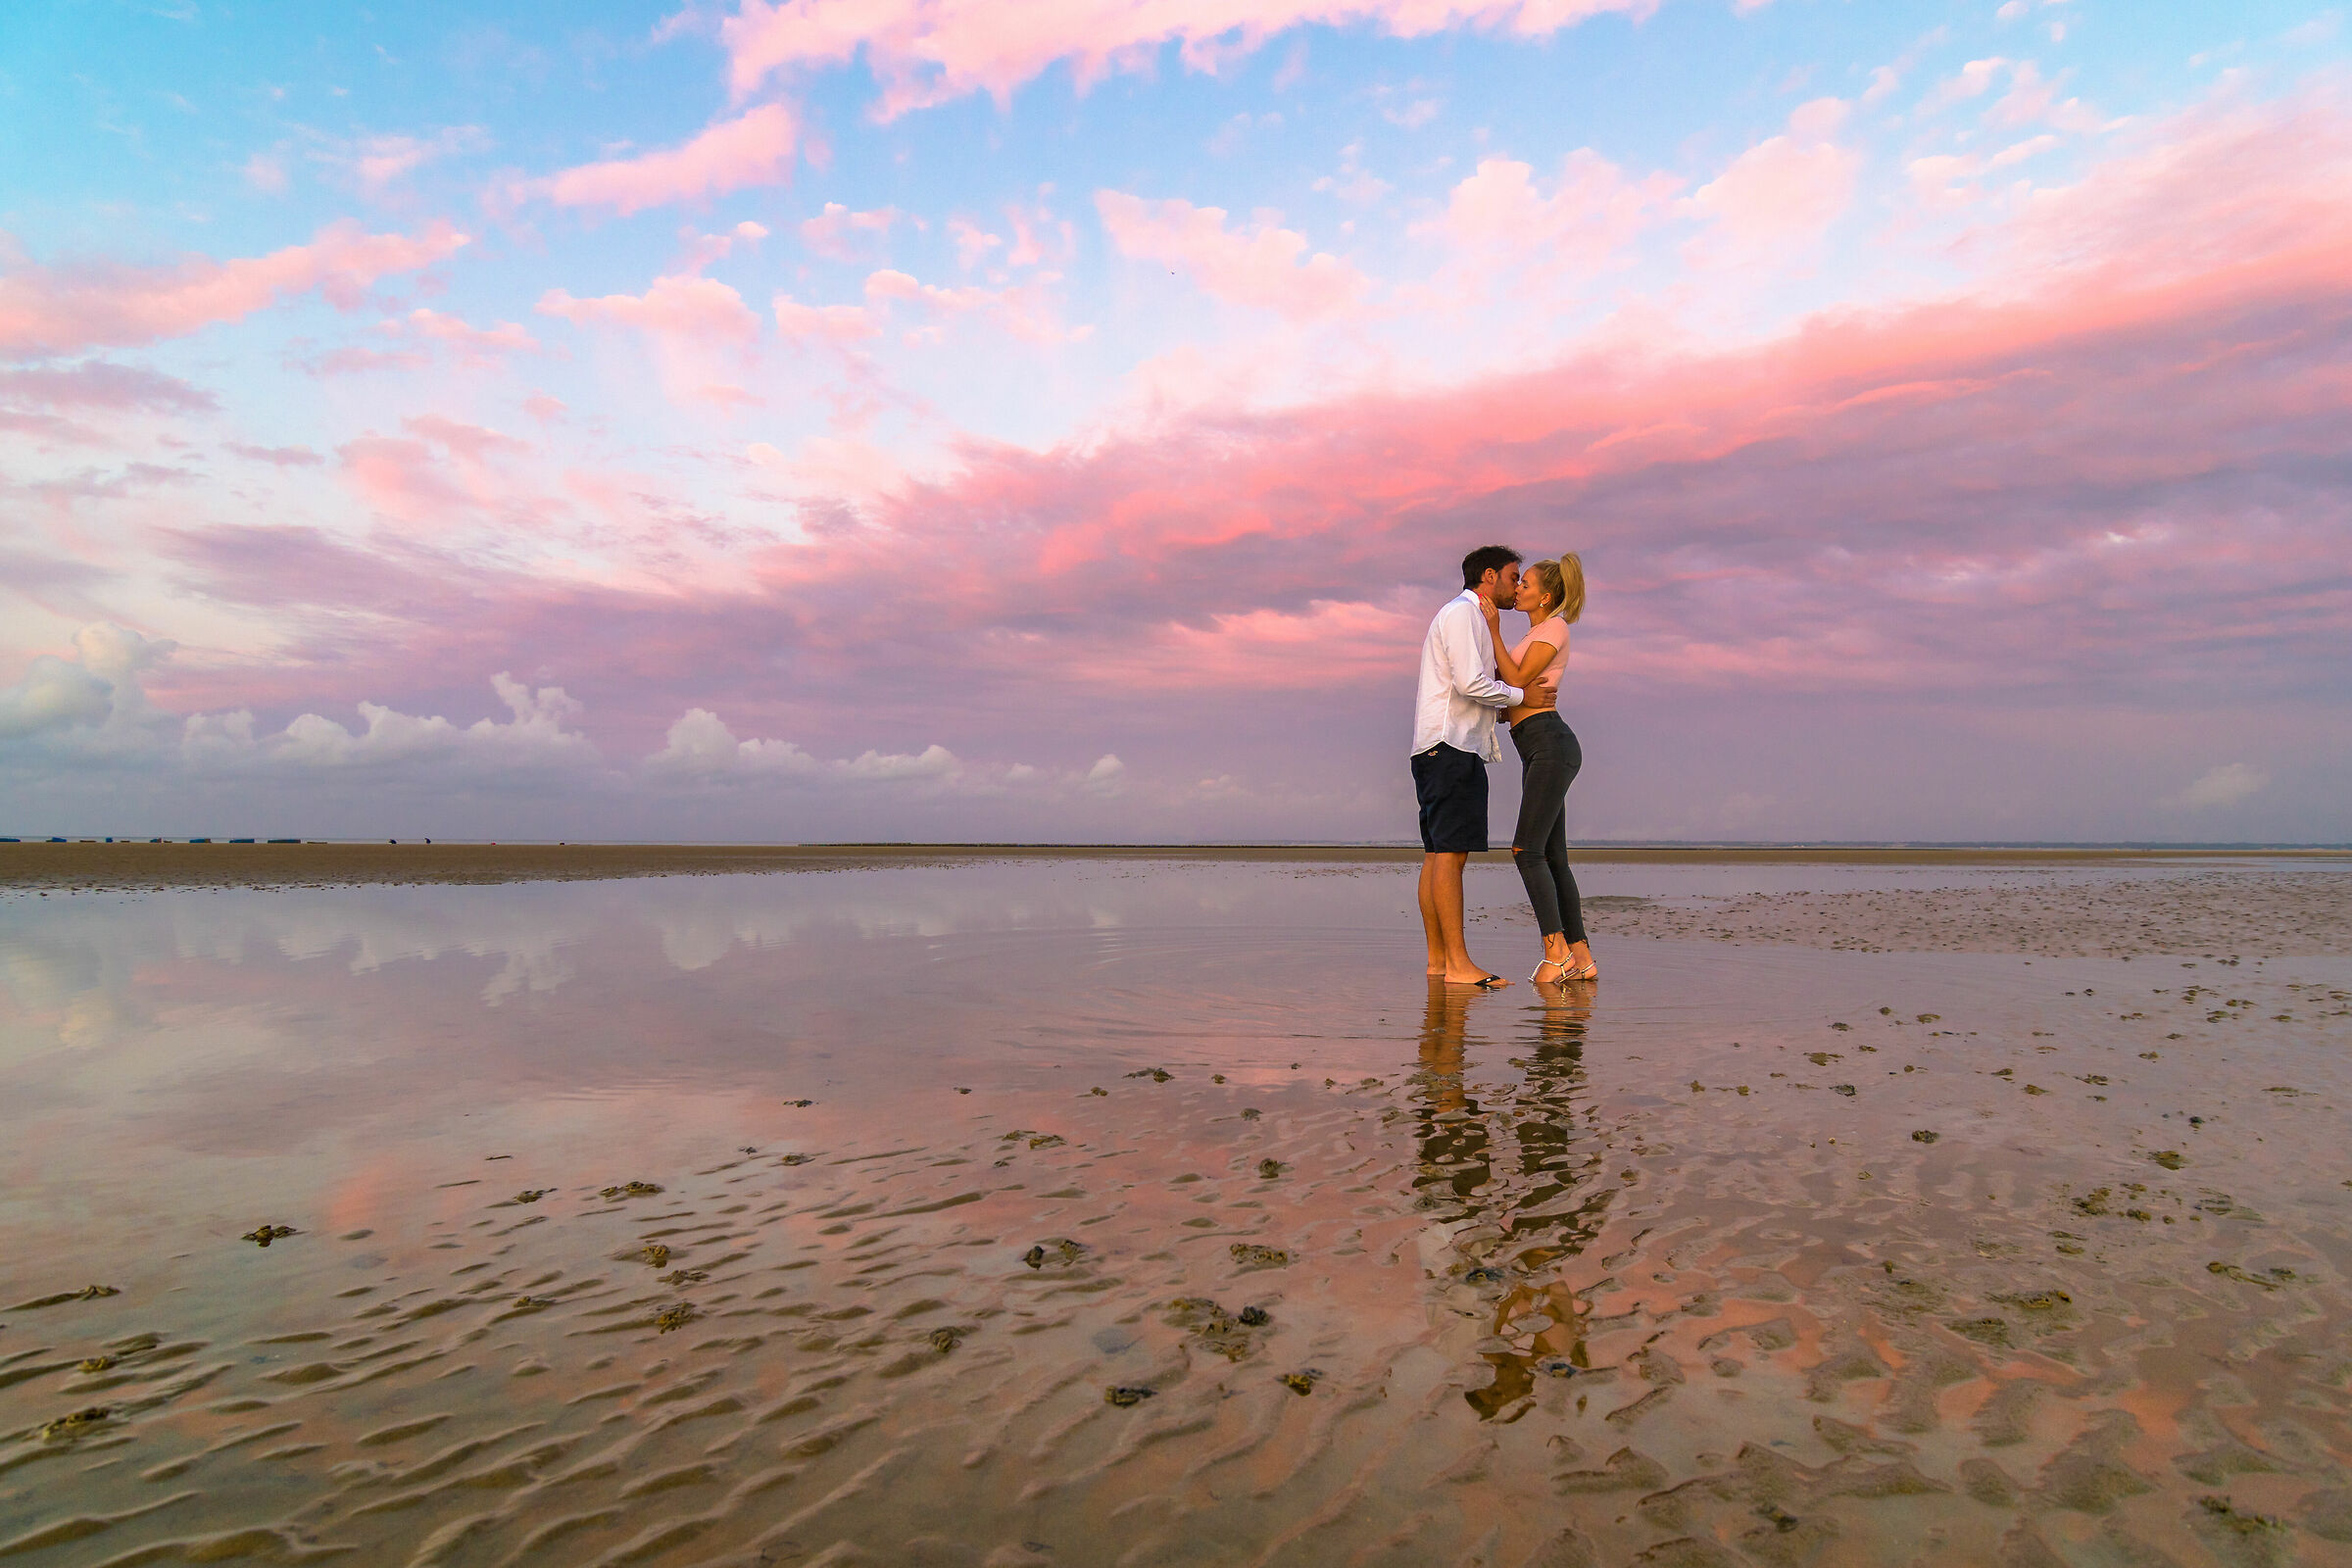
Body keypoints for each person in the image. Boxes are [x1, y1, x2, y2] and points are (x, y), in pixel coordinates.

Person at [1411, 546, 1555, 987]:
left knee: (1438, 854)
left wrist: (1503, 707)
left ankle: (1441, 961)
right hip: (1449, 746)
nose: (1518, 586)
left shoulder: (1462, 616)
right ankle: (1457, 964)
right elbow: (1472, 683)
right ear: (1489, 576)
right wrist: (1522, 698)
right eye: (1514, 577)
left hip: (1440, 746)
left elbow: (1467, 687)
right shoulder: (1463, 614)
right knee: (1450, 856)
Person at [1483, 554, 1593, 983]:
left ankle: (1556, 952)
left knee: (1525, 851)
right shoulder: (1534, 634)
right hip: (1538, 745)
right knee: (1553, 857)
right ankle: (1581, 957)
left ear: (1545, 596)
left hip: (1550, 743)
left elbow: (1513, 678)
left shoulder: (1554, 628)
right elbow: (1510, 691)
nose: (1519, 588)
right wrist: (1515, 694)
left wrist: (1493, 633)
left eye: (1525, 583)